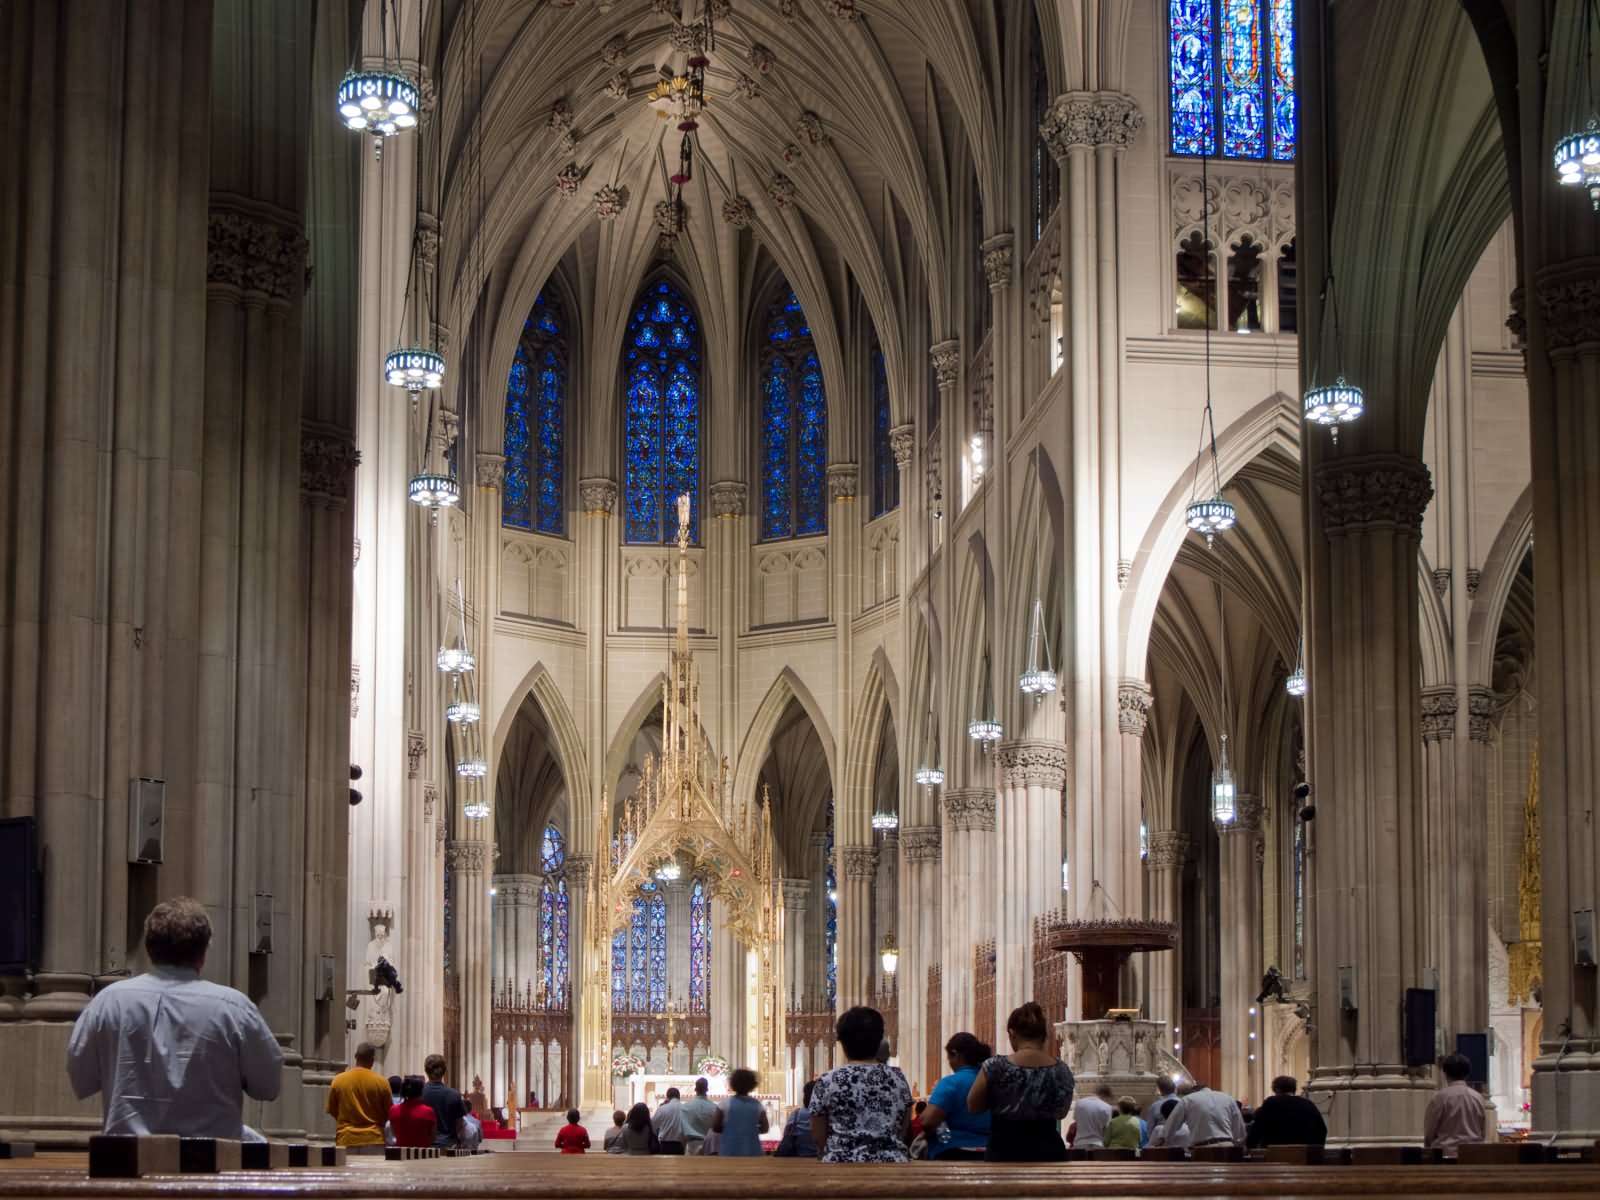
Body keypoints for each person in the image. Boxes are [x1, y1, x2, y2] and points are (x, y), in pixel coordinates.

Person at [65, 896, 283, 1138]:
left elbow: (81, 1077)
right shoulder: (233, 1007)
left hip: (127, 1163)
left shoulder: (109, 1001)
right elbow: (268, 1085)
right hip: (209, 1164)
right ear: (203, 952)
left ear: (149, 948)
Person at [965, 1001, 1075, 1162]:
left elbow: (973, 1106)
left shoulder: (994, 1066)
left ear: (1012, 1033)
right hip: (1048, 1150)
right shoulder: (1062, 1070)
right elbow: (1062, 1112)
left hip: (1004, 1150)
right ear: (1044, 1035)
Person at [808, 1006, 913, 1163]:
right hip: (891, 1165)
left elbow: (818, 1136)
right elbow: (904, 1128)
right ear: (879, 1040)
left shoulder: (827, 1081)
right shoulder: (898, 1078)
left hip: (839, 1166)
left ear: (842, 1043)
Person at [921, 1032, 993, 1161]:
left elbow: (928, 1120)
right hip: (990, 1152)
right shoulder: (992, 1081)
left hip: (953, 1152)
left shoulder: (951, 1082)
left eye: (949, 1057)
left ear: (955, 1054)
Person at [325, 1042, 396, 1149]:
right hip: (374, 1138)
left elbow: (333, 1110)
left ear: (355, 1056)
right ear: (372, 1060)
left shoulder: (338, 1080)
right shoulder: (382, 1082)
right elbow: (389, 1112)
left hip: (346, 1138)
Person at [1423, 1053, 1490, 1157]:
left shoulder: (1440, 1098)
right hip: (1473, 1155)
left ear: (1445, 1073)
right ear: (1467, 1073)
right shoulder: (1478, 1097)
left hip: (1445, 1155)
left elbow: (1429, 1133)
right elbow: (1483, 1131)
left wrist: (1429, 1151)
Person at [1247, 1075, 1328, 1148]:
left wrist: (1250, 1146)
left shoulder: (1271, 1103)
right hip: (1303, 1154)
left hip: (1275, 1153)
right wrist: (1316, 1150)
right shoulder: (1308, 1104)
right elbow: (1322, 1129)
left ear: (1277, 1089)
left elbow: (1257, 1128)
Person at [1163, 1080, 1246, 1148]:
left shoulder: (1187, 1099)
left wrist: (1170, 1144)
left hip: (1202, 1149)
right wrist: (1236, 1145)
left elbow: (1170, 1128)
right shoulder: (1228, 1098)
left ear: (1192, 1092)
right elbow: (1239, 1130)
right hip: (1227, 1146)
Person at [715, 1067, 770, 1157]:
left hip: (729, 1150)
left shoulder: (724, 1104)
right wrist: (749, 1130)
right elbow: (765, 1128)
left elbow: (715, 1127)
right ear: (752, 1085)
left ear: (733, 1083)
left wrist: (731, 1130)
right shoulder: (757, 1105)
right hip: (752, 1150)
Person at [420, 1053, 468, 1148]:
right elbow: (459, 1124)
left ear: (426, 1070)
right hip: (449, 1145)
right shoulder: (454, 1094)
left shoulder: (418, 1093)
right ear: (444, 1071)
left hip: (424, 1147)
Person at [388, 1076, 437, 1149]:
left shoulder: (393, 1109)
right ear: (421, 1091)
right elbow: (433, 1137)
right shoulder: (428, 1111)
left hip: (400, 1153)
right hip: (422, 1154)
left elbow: (393, 1133)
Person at [775, 1079, 819, 1157]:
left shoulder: (796, 1114)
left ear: (805, 1096)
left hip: (799, 1158)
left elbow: (786, 1134)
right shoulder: (825, 1115)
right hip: (820, 1158)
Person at [679, 1077, 718, 1156]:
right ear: (707, 1089)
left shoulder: (686, 1107)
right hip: (709, 1146)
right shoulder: (714, 1107)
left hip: (691, 1146)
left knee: (690, 1168)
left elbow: (681, 1132)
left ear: (695, 1089)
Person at [1072, 1084, 1116, 1149]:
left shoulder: (1079, 1103)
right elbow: (1106, 1129)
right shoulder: (1107, 1107)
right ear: (1105, 1095)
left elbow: (1076, 1121)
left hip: (1079, 1143)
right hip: (1097, 1144)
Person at [652, 1085, 686, 1154]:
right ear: (679, 1097)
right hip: (680, 1145)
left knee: (664, 1165)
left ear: (667, 1097)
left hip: (664, 1145)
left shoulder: (662, 1109)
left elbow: (653, 1126)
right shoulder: (686, 1109)